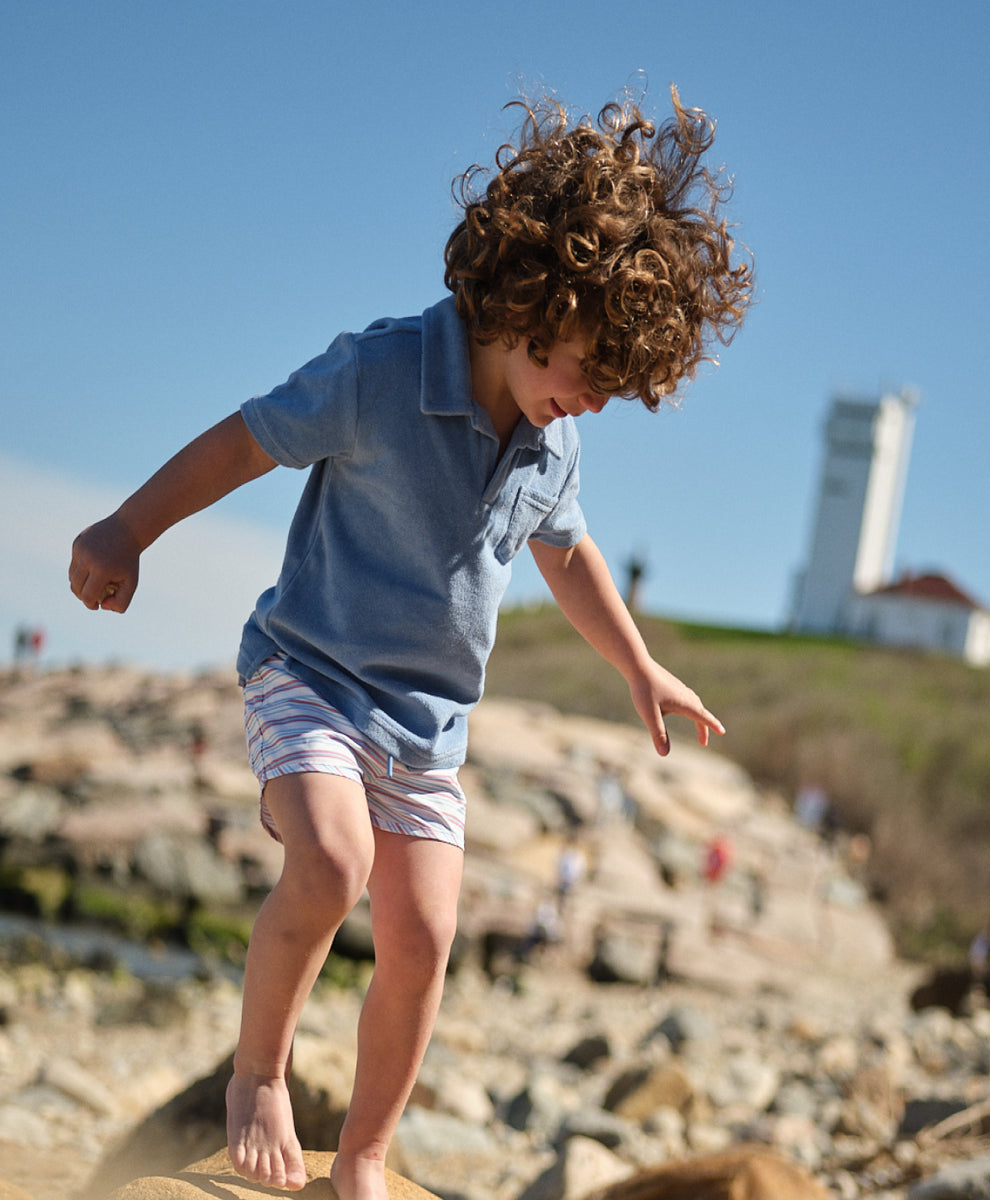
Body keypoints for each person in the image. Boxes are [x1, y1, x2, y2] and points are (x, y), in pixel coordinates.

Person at [68, 85, 751, 1200]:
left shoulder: (550, 440)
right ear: (536, 290)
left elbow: (567, 556)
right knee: (332, 865)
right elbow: (249, 441)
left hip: (429, 727)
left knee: (427, 935)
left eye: (611, 386)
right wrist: (128, 527)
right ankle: (258, 1077)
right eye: (585, 365)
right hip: (314, 675)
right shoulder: (385, 370)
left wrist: (640, 664)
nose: (586, 400)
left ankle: (369, 1151)